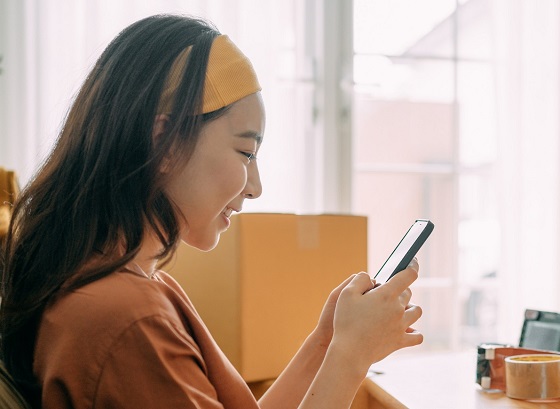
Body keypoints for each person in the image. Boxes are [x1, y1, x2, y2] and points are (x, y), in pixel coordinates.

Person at [0, 14, 423, 409]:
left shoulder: (142, 285)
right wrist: (350, 358)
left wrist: (327, 342)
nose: (255, 188)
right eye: (245, 152)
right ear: (164, 141)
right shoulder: (127, 316)